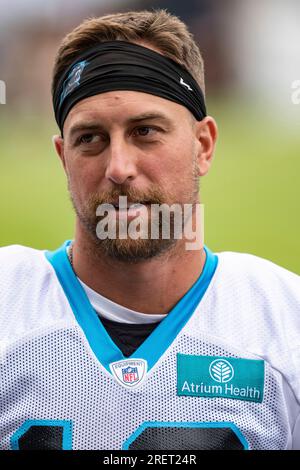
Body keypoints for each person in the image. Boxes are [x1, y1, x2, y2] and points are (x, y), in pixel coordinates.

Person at [0, 9, 299, 451]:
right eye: (90, 138)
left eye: (145, 131)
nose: (119, 168)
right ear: (64, 158)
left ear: (203, 146)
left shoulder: (283, 322)